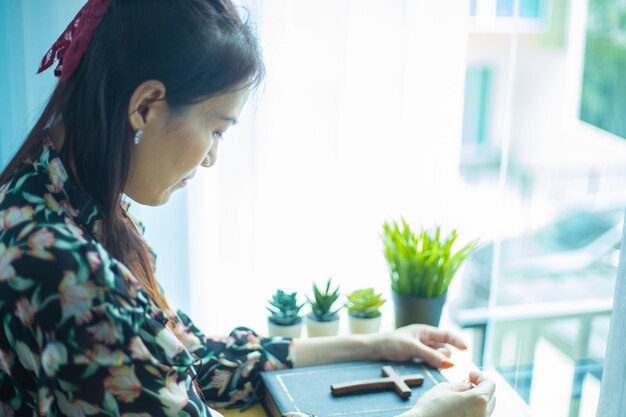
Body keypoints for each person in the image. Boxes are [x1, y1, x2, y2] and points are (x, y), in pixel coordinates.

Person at [0, 1, 496, 416]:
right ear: (147, 105)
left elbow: (187, 357)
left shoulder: (48, 195)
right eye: (216, 129)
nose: (213, 157)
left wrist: (375, 345)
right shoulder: (66, 268)